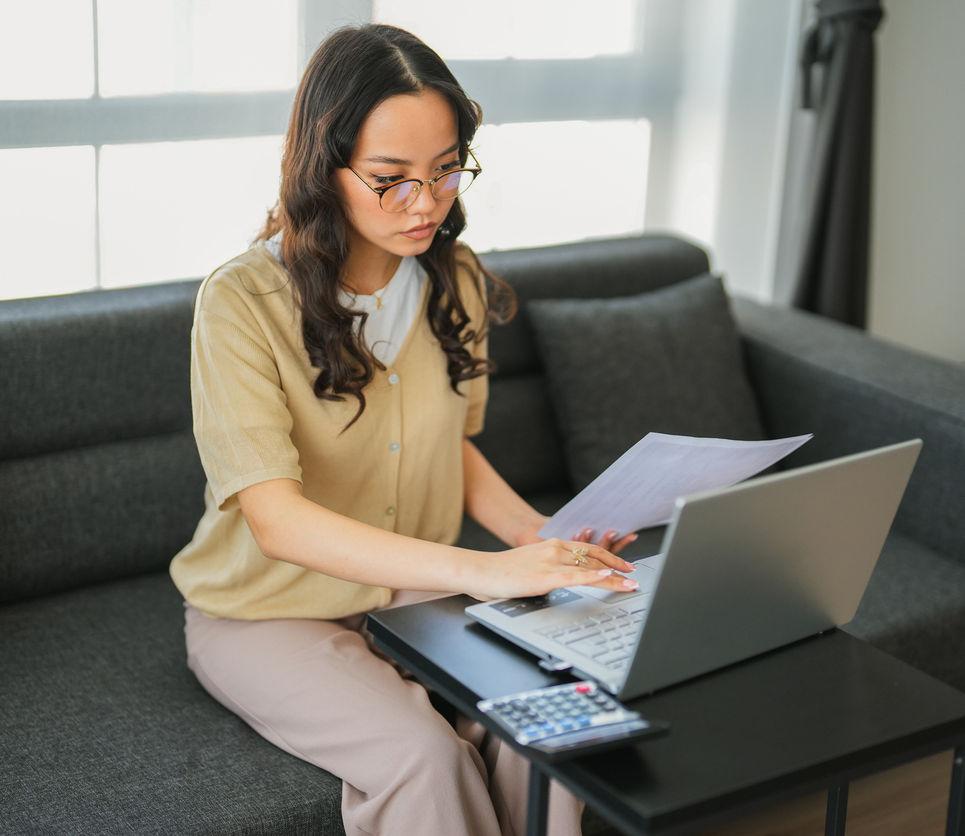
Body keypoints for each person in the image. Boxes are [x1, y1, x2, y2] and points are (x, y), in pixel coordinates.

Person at [170, 23, 638, 836]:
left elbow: (446, 443)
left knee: (552, 715)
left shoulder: (454, 279)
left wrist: (544, 538)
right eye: (391, 180)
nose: (426, 204)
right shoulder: (240, 304)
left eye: (447, 170)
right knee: (424, 755)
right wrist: (483, 573)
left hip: (412, 592)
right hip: (266, 614)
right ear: (326, 165)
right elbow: (275, 521)